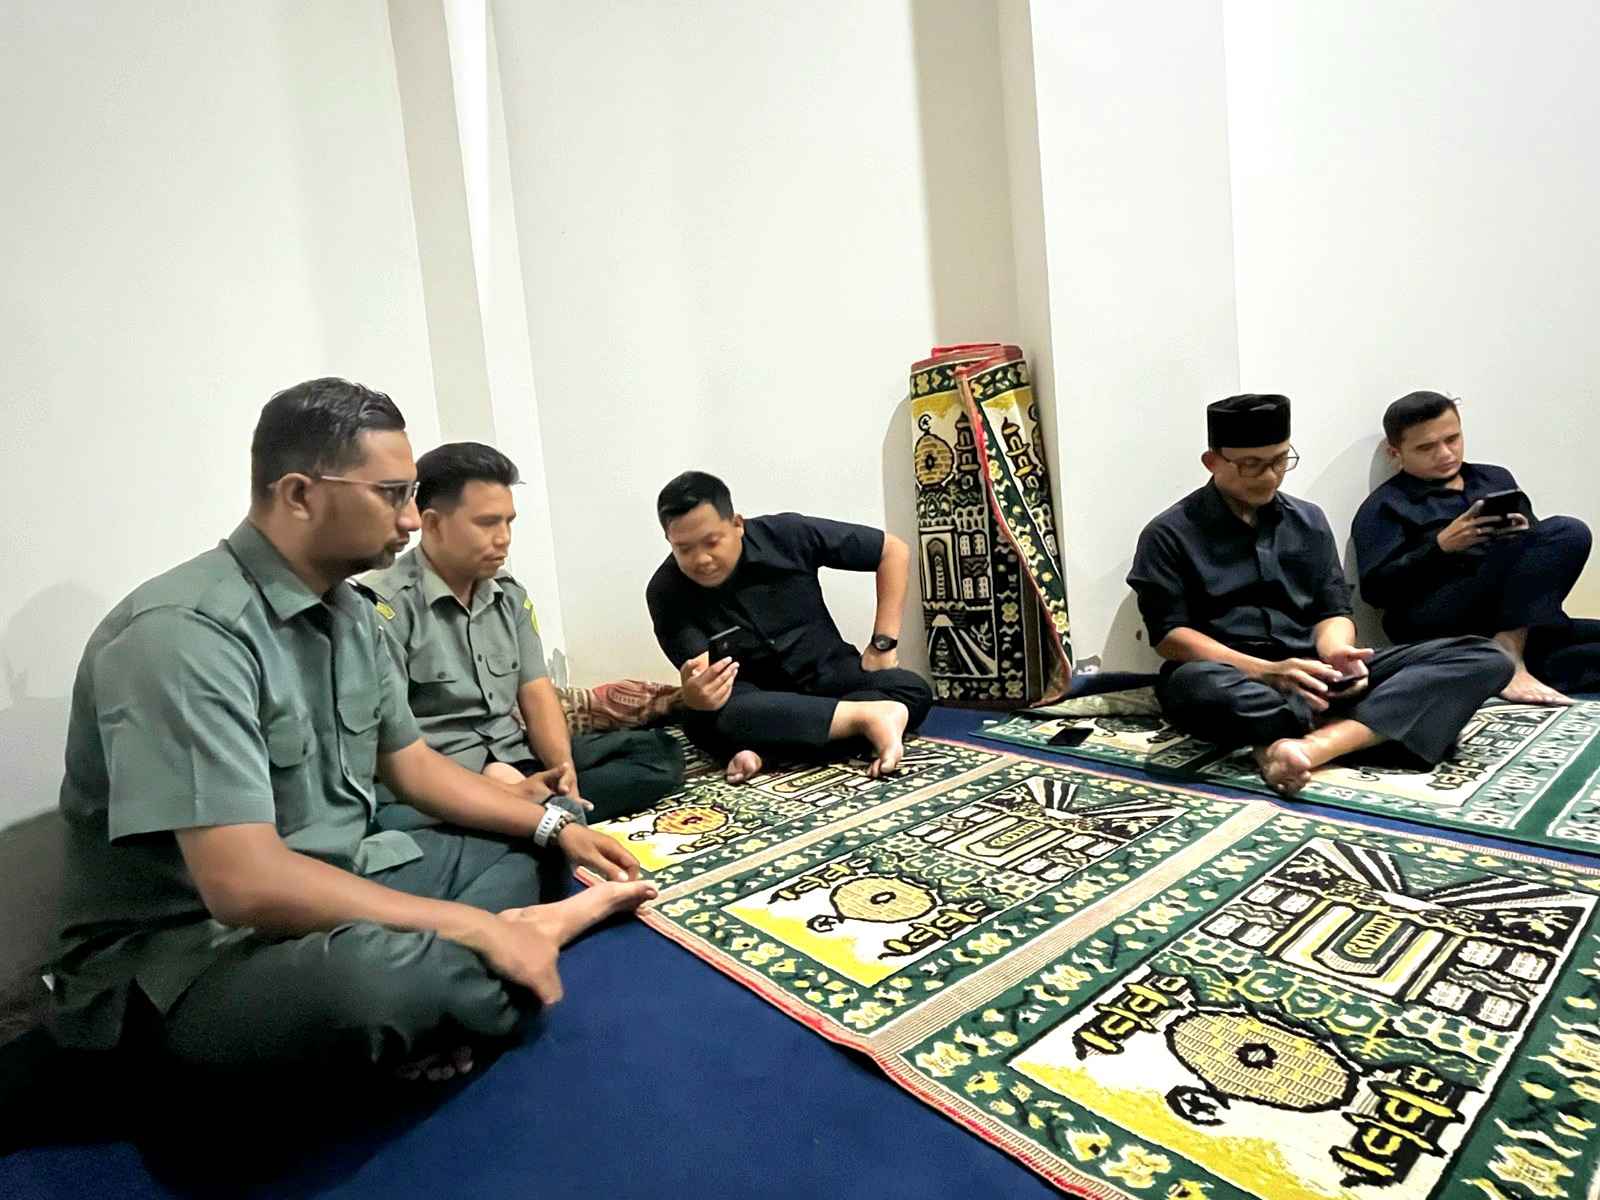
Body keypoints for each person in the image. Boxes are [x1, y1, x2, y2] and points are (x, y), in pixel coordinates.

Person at [49, 378, 651, 1082]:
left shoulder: (350, 614)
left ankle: (459, 987)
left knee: (532, 849)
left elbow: (413, 765)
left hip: (338, 879)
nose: (410, 520)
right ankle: (489, 960)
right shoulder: (184, 635)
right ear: (299, 495)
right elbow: (243, 885)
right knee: (384, 989)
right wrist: (474, 925)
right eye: (391, 494)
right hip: (190, 953)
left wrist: (551, 824)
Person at [1127, 393, 1512, 796]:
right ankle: (1368, 727)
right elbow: (1170, 637)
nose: (1269, 476)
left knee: (1483, 656)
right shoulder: (1169, 533)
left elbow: (1334, 609)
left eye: (1280, 460)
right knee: (1194, 687)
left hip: (1314, 671)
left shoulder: (1308, 520)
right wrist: (1267, 671)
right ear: (1212, 462)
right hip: (1236, 674)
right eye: (1251, 465)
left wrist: (1337, 653)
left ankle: (1308, 746)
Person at [364, 442, 684, 824]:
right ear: (432, 524)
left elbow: (536, 692)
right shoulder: (383, 608)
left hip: (516, 755)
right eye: (487, 523)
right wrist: (493, 783)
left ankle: (540, 814)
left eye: (508, 522)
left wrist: (564, 772)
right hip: (445, 781)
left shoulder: (508, 595)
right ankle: (533, 818)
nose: (504, 538)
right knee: (393, 819)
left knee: (659, 754)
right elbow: (393, 751)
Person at [645, 471, 932, 783]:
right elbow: (705, 675)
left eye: (712, 542)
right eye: (684, 549)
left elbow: (892, 550)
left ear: (738, 524)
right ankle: (867, 717)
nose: (701, 559)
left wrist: (883, 645)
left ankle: (769, 751)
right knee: (704, 719)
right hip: (758, 702)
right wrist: (698, 695)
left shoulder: (786, 535)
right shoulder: (666, 592)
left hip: (826, 676)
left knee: (912, 690)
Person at [1352, 390, 1600, 704]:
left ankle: (1503, 663)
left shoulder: (1494, 479)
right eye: (1426, 447)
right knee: (1567, 528)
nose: (1445, 454)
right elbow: (1376, 592)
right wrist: (1440, 547)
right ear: (1395, 452)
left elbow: (1544, 557)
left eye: (1452, 439)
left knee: (1563, 536)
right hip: (1444, 620)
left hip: (1514, 617)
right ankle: (1505, 657)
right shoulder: (1386, 505)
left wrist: (1523, 534)